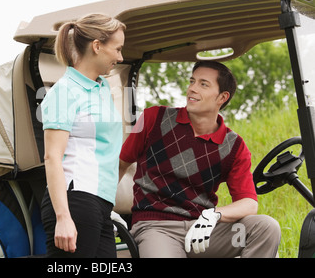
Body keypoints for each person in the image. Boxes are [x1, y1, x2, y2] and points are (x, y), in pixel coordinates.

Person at [119, 60, 281, 258]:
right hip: (157, 228)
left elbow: (248, 203)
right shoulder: (153, 118)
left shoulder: (234, 146)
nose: (192, 89)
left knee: (265, 228)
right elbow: (119, 165)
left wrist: (214, 215)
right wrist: (103, 209)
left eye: (203, 84)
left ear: (222, 97)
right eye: (192, 81)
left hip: (204, 232)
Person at [40, 13, 126, 257]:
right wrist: (63, 217)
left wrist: (104, 205)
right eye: (117, 49)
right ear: (97, 46)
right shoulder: (64, 92)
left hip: (99, 203)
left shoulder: (102, 88)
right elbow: (52, 157)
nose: (120, 57)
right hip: (75, 201)